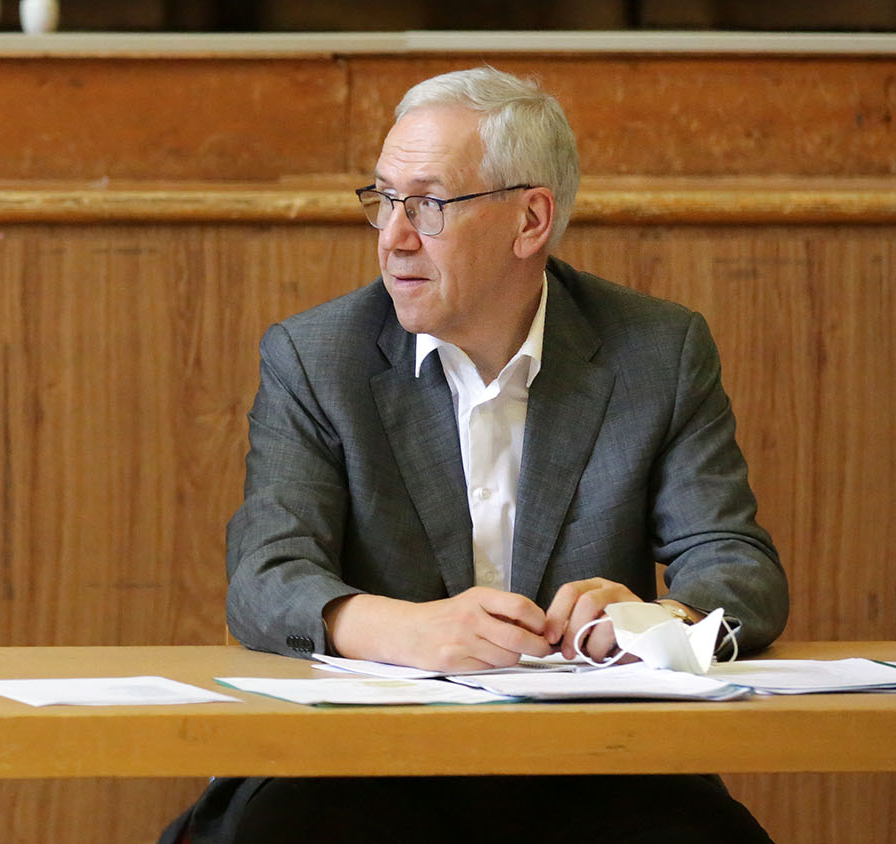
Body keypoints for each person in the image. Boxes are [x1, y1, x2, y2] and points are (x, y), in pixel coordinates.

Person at [161, 67, 787, 844]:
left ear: (531, 220)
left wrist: (655, 618)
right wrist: (406, 631)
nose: (393, 237)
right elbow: (264, 581)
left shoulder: (655, 352)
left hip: (591, 768)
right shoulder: (317, 357)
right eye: (383, 200)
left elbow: (739, 566)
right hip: (363, 767)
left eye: (427, 205)